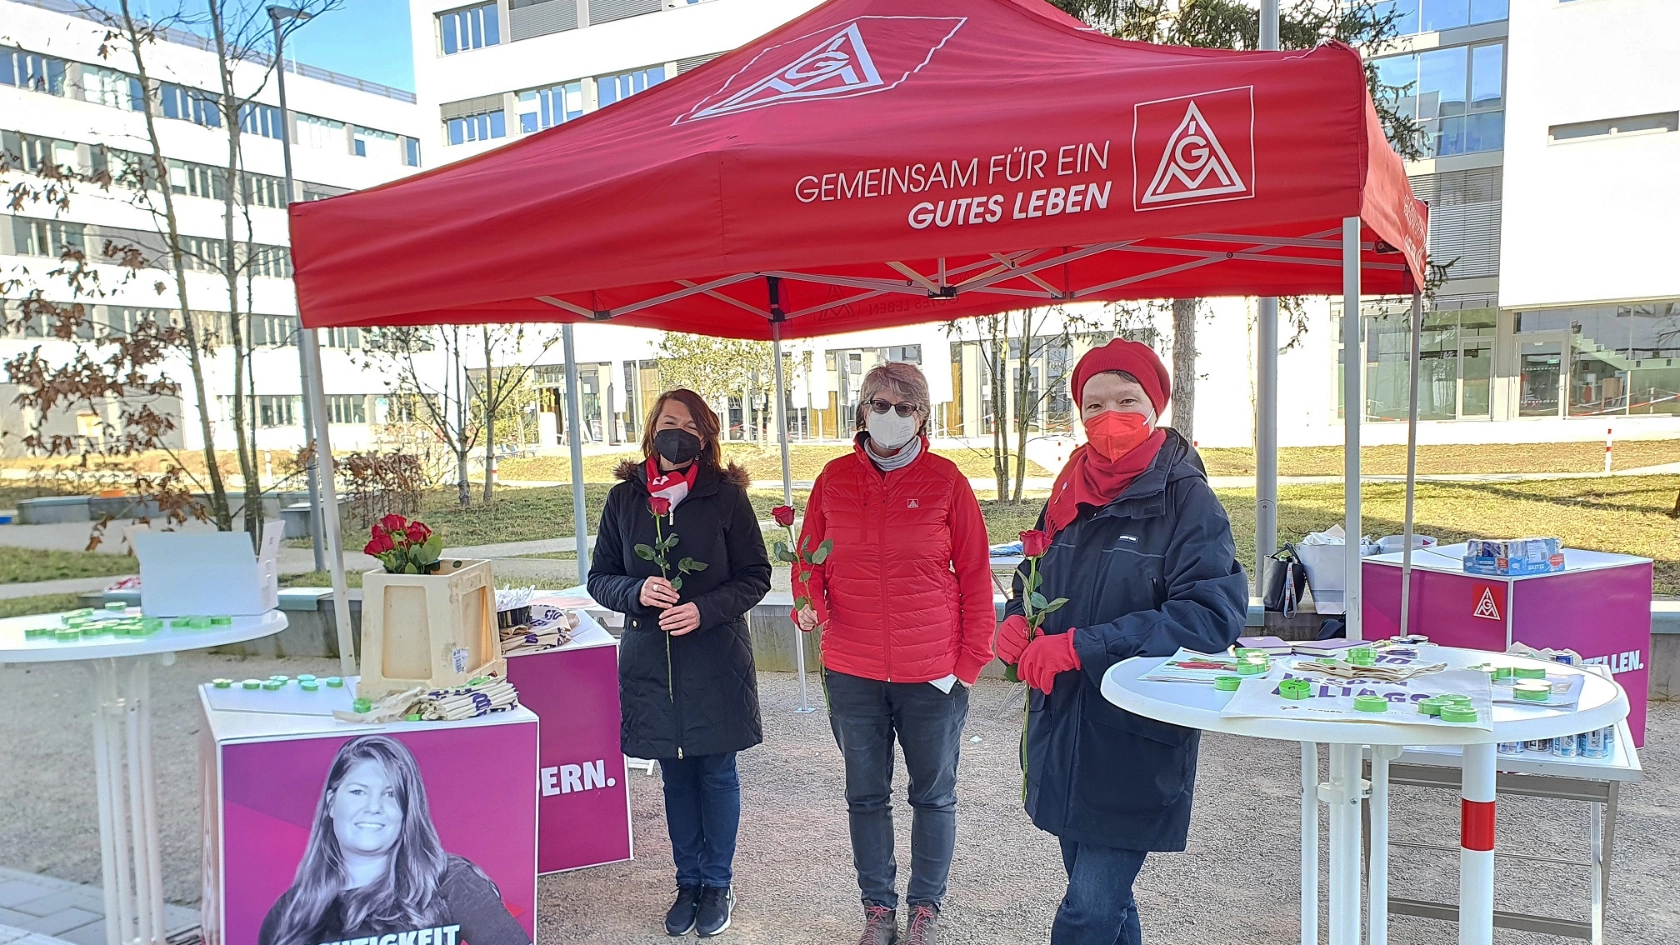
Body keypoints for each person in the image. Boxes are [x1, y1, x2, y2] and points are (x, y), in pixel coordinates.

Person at [996, 339, 1246, 945]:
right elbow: (1038, 575)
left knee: (1087, 910)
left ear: (1155, 404)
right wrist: (1018, 617)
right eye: (1093, 405)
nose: (1110, 418)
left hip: (1135, 734)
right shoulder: (1068, 489)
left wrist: (1085, 645)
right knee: (1108, 903)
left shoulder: (1189, 501)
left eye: (1126, 400)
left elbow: (1210, 616)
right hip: (1064, 728)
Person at [793, 362, 994, 945]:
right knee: (865, 794)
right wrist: (811, 607)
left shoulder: (946, 480)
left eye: (904, 407)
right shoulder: (832, 479)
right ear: (862, 411)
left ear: (922, 417)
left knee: (933, 795)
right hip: (852, 670)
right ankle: (877, 908)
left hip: (932, 673)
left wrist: (967, 664)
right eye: (880, 404)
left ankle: (925, 908)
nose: (891, 415)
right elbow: (809, 560)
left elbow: (977, 575)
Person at [588, 388, 771, 939]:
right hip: (652, 665)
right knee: (674, 777)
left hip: (715, 660)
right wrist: (635, 590)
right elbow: (600, 578)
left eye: (690, 426)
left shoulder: (727, 498)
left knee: (716, 773)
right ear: (651, 429)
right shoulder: (624, 500)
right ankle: (686, 881)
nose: (678, 433)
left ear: (706, 437)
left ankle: (717, 882)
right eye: (669, 422)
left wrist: (703, 609)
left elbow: (756, 575)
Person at [259, 735, 529, 945]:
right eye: (357, 792)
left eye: (390, 794)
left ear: (407, 810)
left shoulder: (449, 880)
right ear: (331, 803)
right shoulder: (289, 913)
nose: (373, 807)